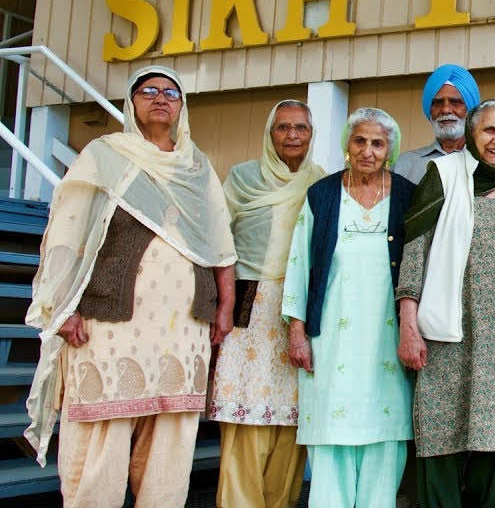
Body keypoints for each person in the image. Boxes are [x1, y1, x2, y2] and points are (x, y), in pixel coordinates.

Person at [25, 65, 237, 507]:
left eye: (171, 92)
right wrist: (63, 308)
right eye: (149, 91)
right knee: (105, 432)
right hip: (111, 322)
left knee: (171, 439)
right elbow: (67, 233)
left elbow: (220, 244)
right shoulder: (106, 155)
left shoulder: (197, 167)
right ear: (132, 101)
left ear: (182, 106)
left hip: (184, 328)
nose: (161, 99)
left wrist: (224, 306)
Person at [396, 99, 495, 508]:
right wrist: (408, 326)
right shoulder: (441, 174)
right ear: (472, 134)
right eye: (489, 131)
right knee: (442, 437)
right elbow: (415, 254)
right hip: (446, 333)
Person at [282, 107, 415, 508]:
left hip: (387, 344)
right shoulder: (322, 195)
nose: (368, 151)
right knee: (331, 445)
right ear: (346, 145)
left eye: (378, 143)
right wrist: (297, 331)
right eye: (360, 141)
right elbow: (299, 264)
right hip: (332, 344)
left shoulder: (409, 196)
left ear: (390, 149)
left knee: (383, 446)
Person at [210, 100, 326, 508]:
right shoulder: (242, 177)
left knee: (292, 418)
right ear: (269, 133)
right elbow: (218, 242)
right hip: (249, 302)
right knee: (246, 415)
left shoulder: (321, 181)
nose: (292, 136)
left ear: (312, 133)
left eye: (301, 128)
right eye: (283, 128)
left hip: (300, 309)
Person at [395, 63, 481, 184]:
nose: (446, 110)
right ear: (429, 110)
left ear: (470, 109)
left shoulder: (488, 164)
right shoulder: (403, 165)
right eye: (437, 103)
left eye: (455, 102)